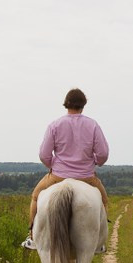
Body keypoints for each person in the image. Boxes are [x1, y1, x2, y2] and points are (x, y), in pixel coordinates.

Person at [21, 88, 109, 249]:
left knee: (35, 197)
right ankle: (99, 241)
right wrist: (95, 162)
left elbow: (43, 154)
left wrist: (52, 164)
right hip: (86, 177)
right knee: (103, 200)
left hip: (58, 176)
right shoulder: (93, 125)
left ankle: (32, 236)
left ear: (66, 104)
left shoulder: (55, 125)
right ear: (83, 105)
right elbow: (103, 154)